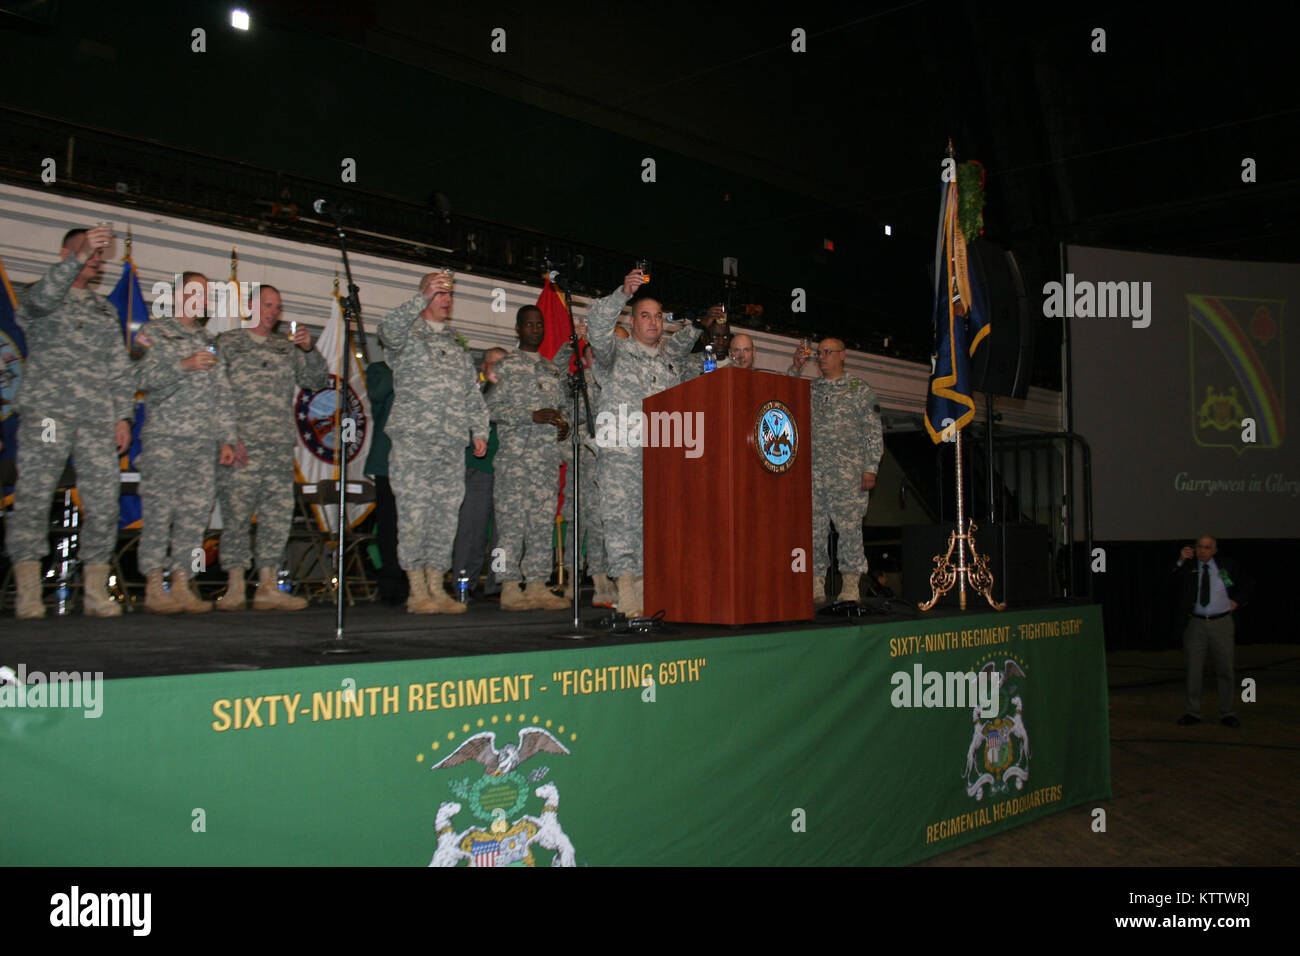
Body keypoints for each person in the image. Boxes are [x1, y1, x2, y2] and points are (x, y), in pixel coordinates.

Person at [8, 225, 135, 618]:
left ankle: (95, 590)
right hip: (49, 414)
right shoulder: (39, 295)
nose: (97, 261)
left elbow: (119, 368)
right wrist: (81, 252)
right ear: (67, 253)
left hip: (96, 418)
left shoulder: (104, 310)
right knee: (34, 497)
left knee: (103, 501)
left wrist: (123, 416)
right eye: (90, 254)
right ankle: (29, 592)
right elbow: (43, 297)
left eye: (99, 256)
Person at [586, 267, 700, 615]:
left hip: (660, 459)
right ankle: (625, 589)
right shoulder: (615, 354)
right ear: (632, 321)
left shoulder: (670, 364)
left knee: (656, 524)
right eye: (645, 316)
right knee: (621, 520)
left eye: (658, 317)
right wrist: (622, 293)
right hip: (622, 453)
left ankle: (647, 587)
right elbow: (595, 326)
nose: (652, 322)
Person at [378, 271, 488, 615]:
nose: (446, 299)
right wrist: (419, 297)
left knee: (444, 517)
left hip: (451, 445)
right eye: (438, 293)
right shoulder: (408, 335)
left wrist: (479, 429)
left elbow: (472, 393)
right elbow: (386, 330)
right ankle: (416, 589)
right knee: (414, 515)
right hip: (415, 441)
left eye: (448, 294)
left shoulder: (456, 345)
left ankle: (437, 587)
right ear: (424, 295)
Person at [214, 284, 328, 610]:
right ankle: (235, 585)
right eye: (267, 305)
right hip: (241, 446)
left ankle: (267, 585)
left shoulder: (286, 347)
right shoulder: (229, 343)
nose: (273, 312)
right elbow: (215, 393)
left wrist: (309, 350)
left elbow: (317, 381)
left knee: (277, 518)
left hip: (278, 446)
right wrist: (227, 437)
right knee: (236, 517)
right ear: (251, 306)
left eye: (277, 307)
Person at [134, 271, 237, 613]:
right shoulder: (153, 332)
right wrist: (183, 365)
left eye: (205, 295)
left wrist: (227, 439)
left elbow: (222, 394)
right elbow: (138, 376)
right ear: (177, 295)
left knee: (195, 516)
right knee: (160, 511)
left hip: (203, 442)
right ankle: (153, 583)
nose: (201, 300)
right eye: (194, 292)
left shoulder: (210, 339)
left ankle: (182, 582)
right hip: (165, 436)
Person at [487, 307, 571, 611]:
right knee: (511, 525)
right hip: (515, 462)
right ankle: (509, 586)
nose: (535, 329)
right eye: (529, 324)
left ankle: (537, 584)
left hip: (546, 462)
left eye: (539, 324)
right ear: (518, 329)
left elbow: (563, 410)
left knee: (541, 524)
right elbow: (489, 409)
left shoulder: (552, 370)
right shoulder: (504, 367)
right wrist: (529, 416)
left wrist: (563, 426)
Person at [789, 337, 883, 603]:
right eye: (819, 353)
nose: (822, 357)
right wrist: (796, 367)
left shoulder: (858, 389)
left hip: (848, 474)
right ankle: (816, 582)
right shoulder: (811, 389)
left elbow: (872, 432)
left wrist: (870, 467)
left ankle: (851, 583)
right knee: (814, 529)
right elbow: (785, 394)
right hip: (814, 473)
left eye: (828, 352)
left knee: (849, 528)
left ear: (843, 355)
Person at [553, 320, 615, 607]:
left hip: (604, 466)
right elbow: (556, 371)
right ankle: (571, 580)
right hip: (581, 462)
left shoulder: (612, 385)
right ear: (586, 357)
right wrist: (572, 341)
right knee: (577, 523)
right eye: (592, 354)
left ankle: (601, 579)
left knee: (602, 524)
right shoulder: (577, 383)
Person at [1172, 536, 1253, 727]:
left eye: (1207, 548)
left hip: (1221, 623)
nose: (1202, 551)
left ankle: (1227, 712)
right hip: (1195, 624)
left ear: (1215, 550)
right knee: (1194, 669)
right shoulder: (1188, 567)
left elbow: (1247, 584)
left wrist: (1237, 601)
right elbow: (1169, 581)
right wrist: (1180, 560)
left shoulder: (1226, 566)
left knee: (1225, 669)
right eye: (1199, 547)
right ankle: (1193, 711)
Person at [450, 347, 506, 602]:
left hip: (507, 472)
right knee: (471, 531)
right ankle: (464, 584)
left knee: (502, 535)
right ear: (483, 367)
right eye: (493, 364)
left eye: (502, 365)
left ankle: (498, 584)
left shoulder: (514, 394)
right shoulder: (474, 393)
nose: (497, 369)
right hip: (478, 470)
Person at [362, 358, 407, 605]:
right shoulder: (380, 369)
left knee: (412, 525)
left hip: (416, 461)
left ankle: (413, 580)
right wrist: (398, 365)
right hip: (387, 460)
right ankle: (391, 584)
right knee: (389, 525)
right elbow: (377, 394)